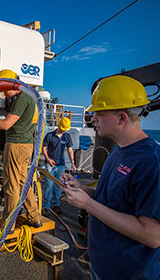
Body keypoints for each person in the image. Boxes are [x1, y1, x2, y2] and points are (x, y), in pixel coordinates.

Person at [61, 75, 160, 279]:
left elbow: (152, 235)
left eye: (99, 113)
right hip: (102, 265)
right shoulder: (118, 150)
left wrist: (88, 204)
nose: (93, 118)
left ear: (122, 118)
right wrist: (83, 189)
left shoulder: (151, 162)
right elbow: (115, 198)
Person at [0, 69, 42, 232]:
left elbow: (5, 125)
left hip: (16, 146)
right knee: (22, 183)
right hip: (26, 146)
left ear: (7, 84)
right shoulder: (27, 98)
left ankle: (7, 226)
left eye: (0, 86)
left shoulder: (21, 99)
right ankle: (35, 218)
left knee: (11, 186)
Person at [42, 116, 76, 215]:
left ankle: (56, 204)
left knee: (58, 186)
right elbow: (44, 148)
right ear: (59, 126)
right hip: (50, 165)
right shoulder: (49, 136)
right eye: (63, 129)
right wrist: (48, 159)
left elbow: (70, 150)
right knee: (49, 185)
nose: (64, 131)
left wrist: (73, 164)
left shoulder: (67, 137)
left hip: (61, 165)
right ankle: (46, 206)